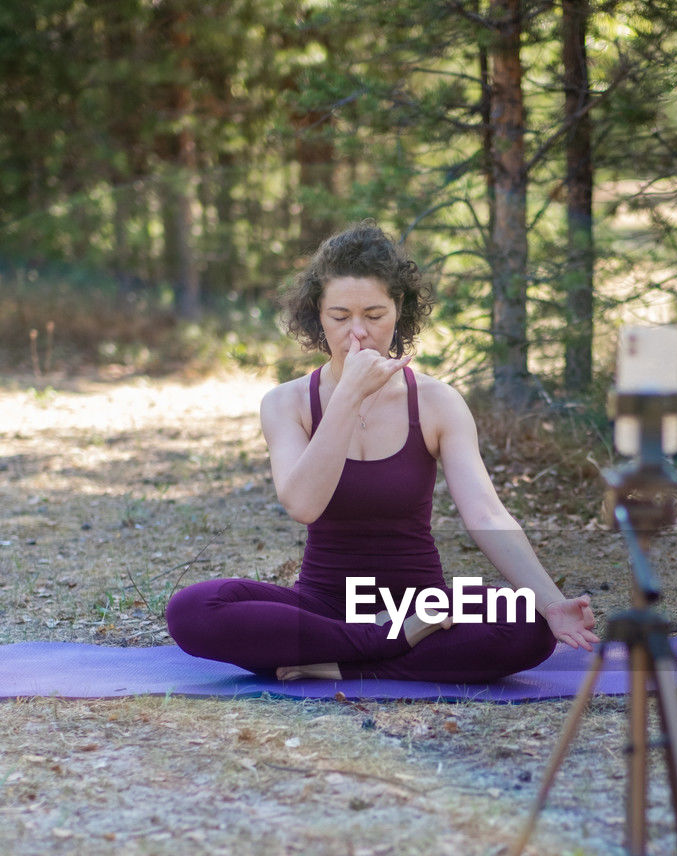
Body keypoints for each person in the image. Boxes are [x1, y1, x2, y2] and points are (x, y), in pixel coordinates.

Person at [166, 222, 598, 683]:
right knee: (192, 610)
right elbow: (303, 504)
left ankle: (329, 661)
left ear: (399, 311)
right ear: (318, 315)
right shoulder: (286, 403)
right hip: (323, 607)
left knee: (528, 625)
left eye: (374, 315)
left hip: (423, 605)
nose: (358, 334)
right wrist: (348, 395)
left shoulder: (437, 402)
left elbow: (486, 514)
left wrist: (552, 602)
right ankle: (386, 643)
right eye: (339, 316)